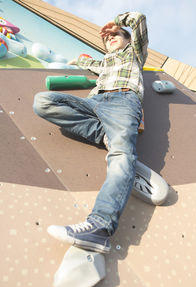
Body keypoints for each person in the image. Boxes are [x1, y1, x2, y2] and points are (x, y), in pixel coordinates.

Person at [33, 12, 148, 254]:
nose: (111, 38)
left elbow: (138, 19)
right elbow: (88, 62)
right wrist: (78, 61)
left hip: (123, 100)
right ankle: (103, 135)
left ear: (128, 39)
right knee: (42, 102)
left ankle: (99, 227)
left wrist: (118, 23)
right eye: (108, 39)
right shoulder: (105, 62)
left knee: (122, 155)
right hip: (94, 102)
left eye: (116, 36)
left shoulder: (135, 54)